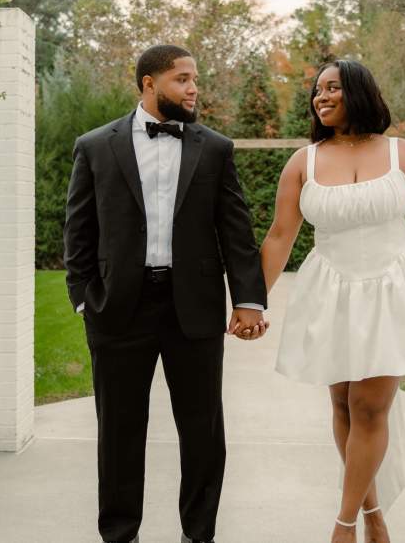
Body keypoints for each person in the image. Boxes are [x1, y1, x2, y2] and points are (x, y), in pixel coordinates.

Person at [260, 59, 405, 543]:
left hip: (393, 288)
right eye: (317, 91)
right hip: (330, 290)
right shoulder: (303, 162)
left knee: (370, 406)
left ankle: (344, 525)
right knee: (341, 404)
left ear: (358, 92)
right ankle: (374, 511)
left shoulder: (404, 154)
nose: (322, 97)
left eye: (333, 88)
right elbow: (279, 237)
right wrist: (252, 302)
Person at [63, 44, 268, 543]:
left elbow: (235, 231)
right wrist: (85, 297)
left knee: (203, 433)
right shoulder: (95, 146)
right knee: (118, 432)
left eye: (195, 78)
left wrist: (248, 299)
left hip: (192, 309)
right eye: (182, 79)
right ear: (149, 84)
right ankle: (119, 535)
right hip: (117, 309)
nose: (194, 88)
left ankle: (198, 535)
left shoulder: (215, 149)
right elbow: (78, 229)